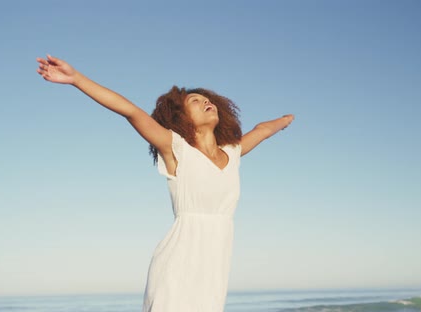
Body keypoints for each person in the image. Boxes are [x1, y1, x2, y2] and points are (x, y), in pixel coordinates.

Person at [36, 54, 294, 312]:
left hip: (214, 270)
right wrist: (76, 79)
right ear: (181, 117)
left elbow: (262, 130)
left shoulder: (232, 153)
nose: (206, 102)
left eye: (208, 100)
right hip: (178, 263)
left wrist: (285, 121)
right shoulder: (176, 149)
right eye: (196, 101)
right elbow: (130, 111)